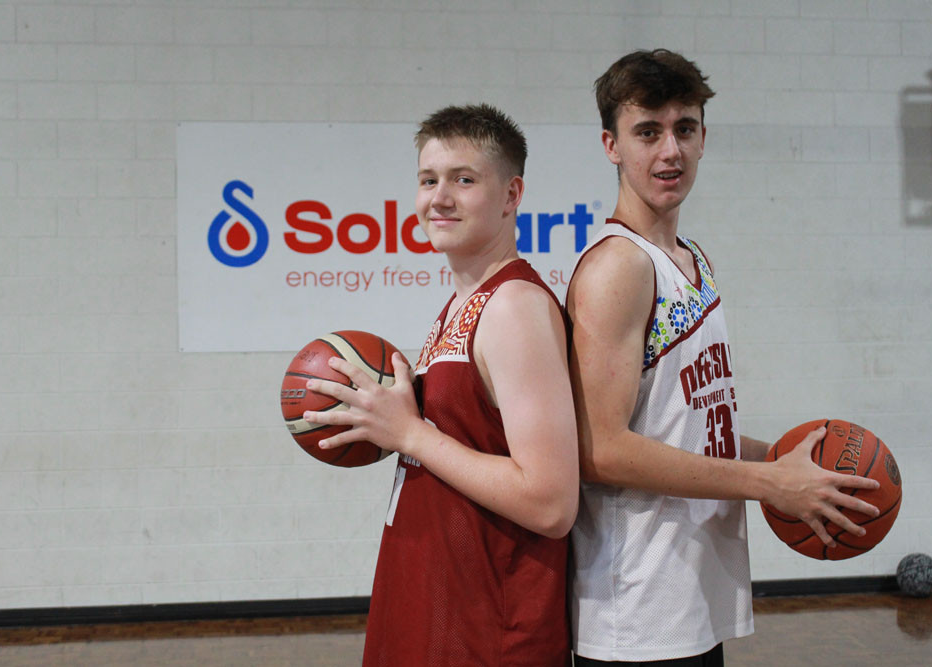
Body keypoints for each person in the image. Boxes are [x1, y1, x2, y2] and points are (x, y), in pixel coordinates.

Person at [567, 49, 881, 666]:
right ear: (611, 145)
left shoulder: (691, 259)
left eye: (684, 128)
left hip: (689, 594)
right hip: (635, 611)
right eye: (647, 132)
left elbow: (678, 424)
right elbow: (598, 448)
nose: (670, 152)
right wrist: (767, 484)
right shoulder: (617, 267)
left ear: (704, 137)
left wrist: (785, 457)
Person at [303, 103, 579, 666]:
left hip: (490, 635)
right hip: (437, 612)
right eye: (428, 180)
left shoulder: (515, 307)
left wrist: (411, 434)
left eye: (464, 179)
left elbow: (551, 502)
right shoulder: (460, 305)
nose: (440, 197)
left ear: (511, 195)